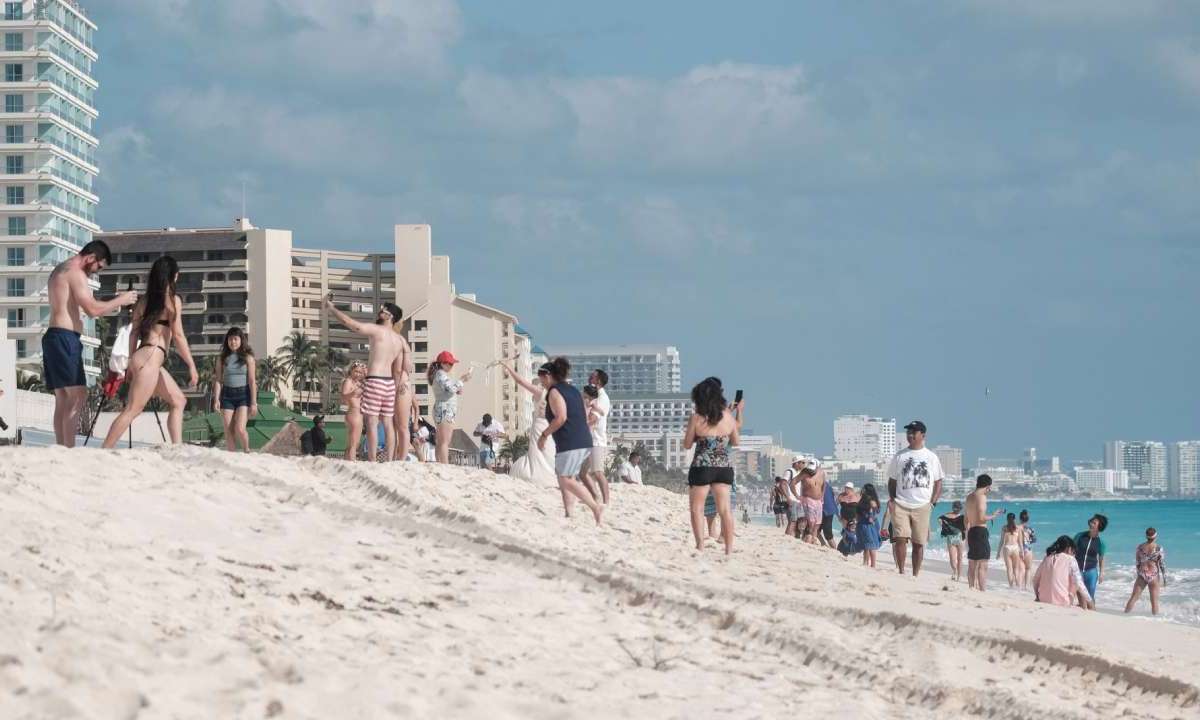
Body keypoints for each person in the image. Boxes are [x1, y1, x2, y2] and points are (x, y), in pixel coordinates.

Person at [45, 240, 137, 446]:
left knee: (63, 397)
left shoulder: (60, 269)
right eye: (98, 267)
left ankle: (62, 446)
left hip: (55, 336)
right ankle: (68, 447)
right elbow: (92, 310)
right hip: (64, 338)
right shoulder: (75, 272)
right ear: (90, 258)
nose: (96, 272)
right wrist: (121, 300)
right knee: (78, 394)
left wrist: (115, 303)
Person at [102, 257, 197, 448]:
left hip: (141, 356)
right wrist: (192, 366)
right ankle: (104, 449)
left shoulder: (144, 302)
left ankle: (176, 448)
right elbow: (178, 336)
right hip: (151, 358)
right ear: (173, 277)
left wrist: (130, 363)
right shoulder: (172, 301)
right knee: (132, 410)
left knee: (179, 400)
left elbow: (133, 333)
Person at [323, 296, 404, 461]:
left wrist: (331, 309)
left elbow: (350, 323)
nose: (380, 311)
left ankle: (373, 459)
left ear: (389, 316)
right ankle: (390, 460)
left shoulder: (377, 330)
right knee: (388, 423)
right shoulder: (399, 340)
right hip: (389, 384)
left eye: (383, 310)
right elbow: (399, 368)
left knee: (372, 422)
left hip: (375, 380)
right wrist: (398, 385)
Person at [538, 357, 603, 523]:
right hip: (583, 440)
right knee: (566, 477)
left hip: (570, 441)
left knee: (565, 479)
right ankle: (569, 512)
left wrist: (544, 435)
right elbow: (581, 414)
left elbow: (561, 417)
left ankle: (594, 506)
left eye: (541, 380)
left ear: (547, 376)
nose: (541, 384)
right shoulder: (573, 390)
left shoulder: (554, 392)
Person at [684, 377, 743, 554]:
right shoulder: (728, 418)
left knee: (697, 508)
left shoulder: (696, 418)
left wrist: (699, 437)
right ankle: (729, 549)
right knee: (725, 510)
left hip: (702, 466)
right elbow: (735, 442)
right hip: (723, 468)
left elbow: (687, 444)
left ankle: (700, 545)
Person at [885, 420, 944, 576]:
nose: (910, 435)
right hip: (901, 504)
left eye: (913, 432)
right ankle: (902, 571)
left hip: (923, 505)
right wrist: (893, 499)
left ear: (922, 435)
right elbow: (892, 480)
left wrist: (933, 502)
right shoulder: (900, 456)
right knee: (900, 538)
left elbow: (938, 482)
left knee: (918, 543)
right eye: (908, 432)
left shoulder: (931, 457)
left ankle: (916, 574)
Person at [501, 361, 556, 483]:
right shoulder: (558, 393)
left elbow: (521, 382)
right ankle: (548, 477)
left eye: (541, 378)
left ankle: (536, 476)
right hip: (551, 427)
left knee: (539, 453)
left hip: (540, 426)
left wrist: (510, 369)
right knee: (547, 454)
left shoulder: (542, 392)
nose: (540, 381)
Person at [212, 327, 258, 453]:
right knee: (228, 430)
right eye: (230, 339)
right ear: (227, 341)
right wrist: (216, 399)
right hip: (227, 396)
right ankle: (232, 456)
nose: (233, 342)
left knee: (240, 428)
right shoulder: (221, 358)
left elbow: (252, 381)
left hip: (244, 396)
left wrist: (253, 402)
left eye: (235, 339)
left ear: (241, 340)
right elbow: (218, 380)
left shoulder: (248, 358)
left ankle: (246, 449)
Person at [428, 350, 473, 464]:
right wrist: (462, 380)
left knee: (441, 441)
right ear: (443, 363)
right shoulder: (441, 374)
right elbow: (451, 388)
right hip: (445, 409)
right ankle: (444, 465)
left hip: (443, 409)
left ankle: (439, 463)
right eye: (450, 364)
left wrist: (456, 389)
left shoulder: (439, 374)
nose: (452, 366)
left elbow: (449, 389)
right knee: (445, 441)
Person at [964, 474, 1005, 591]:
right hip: (980, 531)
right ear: (987, 486)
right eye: (989, 487)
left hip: (971, 531)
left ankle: (971, 587)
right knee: (983, 564)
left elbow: (965, 519)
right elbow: (982, 517)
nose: (990, 490)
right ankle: (982, 590)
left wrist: (967, 533)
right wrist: (994, 516)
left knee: (972, 563)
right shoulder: (981, 497)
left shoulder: (969, 497)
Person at [1033, 536, 1094, 610]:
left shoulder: (1047, 557)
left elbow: (1036, 579)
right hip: (1061, 602)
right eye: (1073, 551)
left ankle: (1084, 606)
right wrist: (1090, 602)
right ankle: (1085, 607)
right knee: (1077, 581)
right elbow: (1079, 583)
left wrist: (1037, 595)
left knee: (1073, 579)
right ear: (1068, 548)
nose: (1073, 554)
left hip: (1043, 599)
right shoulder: (1070, 559)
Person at [584, 369, 612, 505]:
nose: (590, 377)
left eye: (593, 376)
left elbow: (594, 418)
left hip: (597, 441)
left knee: (598, 472)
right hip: (590, 440)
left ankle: (606, 501)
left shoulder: (602, 398)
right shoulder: (595, 397)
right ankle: (594, 497)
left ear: (599, 380)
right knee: (583, 473)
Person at [1124, 528, 1166, 616]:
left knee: (1134, 597)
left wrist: (1139, 573)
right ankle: (1156, 621)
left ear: (1146, 536)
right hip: (1154, 574)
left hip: (1142, 573)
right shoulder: (1159, 548)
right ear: (1155, 536)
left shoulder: (1140, 547)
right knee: (1154, 601)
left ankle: (1124, 615)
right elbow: (1162, 564)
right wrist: (1164, 578)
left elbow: (1137, 562)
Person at [1073, 514, 1108, 602]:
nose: (1091, 524)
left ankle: (1092, 611)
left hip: (1091, 571)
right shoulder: (1080, 536)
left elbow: (1101, 558)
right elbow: (1071, 550)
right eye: (1091, 522)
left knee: (1090, 595)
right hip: (1078, 569)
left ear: (1099, 526)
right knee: (1080, 595)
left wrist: (1101, 573)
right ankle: (1083, 610)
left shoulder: (1101, 542)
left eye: (1094, 523)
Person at [340, 361, 367, 460]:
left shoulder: (359, 383)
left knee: (355, 441)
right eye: (356, 371)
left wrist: (365, 372)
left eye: (360, 372)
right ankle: (352, 460)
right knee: (353, 441)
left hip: (358, 413)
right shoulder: (348, 381)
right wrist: (353, 393)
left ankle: (347, 460)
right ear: (351, 370)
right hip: (353, 412)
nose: (358, 374)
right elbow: (343, 396)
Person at [938, 501, 968, 582]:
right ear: (953, 507)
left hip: (960, 538)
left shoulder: (962, 516)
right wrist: (944, 526)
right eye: (956, 508)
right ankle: (954, 571)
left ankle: (959, 576)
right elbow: (939, 519)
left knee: (960, 558)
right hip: (950, 538)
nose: (957, 509)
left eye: (959, 508)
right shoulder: (947, 515)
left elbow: (967, 525)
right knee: (952, 558)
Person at [798, 465, 827, 546]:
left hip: (817, 502)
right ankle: (809, 539)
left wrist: (822, 496)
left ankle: (812, 539)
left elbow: (824, 484)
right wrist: (799, 497)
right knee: (809, 523)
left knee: (816, 524)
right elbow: (798, 486)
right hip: (807, 501)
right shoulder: (804, 476)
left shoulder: (820, 474)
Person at [856, 483, 883, 568]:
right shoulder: (864, 500)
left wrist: (871, 516)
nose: (862, 490)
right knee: (866, 545)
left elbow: (873, 512)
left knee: (870, 545)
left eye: (864, 489)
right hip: (863, 524)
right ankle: (865, 562)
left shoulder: (870, 501)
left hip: (868, 525)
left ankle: (872, 565)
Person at [782, 456, 807, 537]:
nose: (804, 464)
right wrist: (788, 498)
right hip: (792, 500)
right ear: (797, 463)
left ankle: (793, 537)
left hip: (797, 501)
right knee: (792, 521)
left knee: (798, 521)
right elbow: (782, 484)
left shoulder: (798, 473)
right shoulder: (790, 471)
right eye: (802, 462)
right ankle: (787, 539)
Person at [997, 513, 1024, 589]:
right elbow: (1020, 542)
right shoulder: (1018, 528)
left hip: (1007, 548)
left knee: (1009, 568)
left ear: (1007, 519)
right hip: (1015, 548)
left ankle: (1011, 586)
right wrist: (1022, 552)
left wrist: (998, 553)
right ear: (1015, 519)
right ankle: (1018, 586)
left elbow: (1001, 541)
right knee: (1016, 569)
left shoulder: (1004, 528)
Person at [1018, 509, 1036, 590]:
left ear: (1020, 518)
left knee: (1020, 569)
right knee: (1028, 569)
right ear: (1027, 519)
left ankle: (1019, 586)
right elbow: (1034, 539)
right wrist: (1028, 541)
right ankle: (1026, 587)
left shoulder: (1017, 528)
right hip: (1028, 549)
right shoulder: (1030, 529)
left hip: (1018, 549)